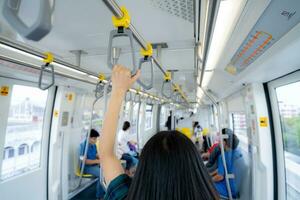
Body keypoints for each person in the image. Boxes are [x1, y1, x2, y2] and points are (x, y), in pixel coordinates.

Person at [99, 65, 219, 200]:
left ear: (144, 168)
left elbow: (105, 154)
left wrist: (119, 91)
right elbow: (106, 155)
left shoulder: (125, 196)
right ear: (195, 167)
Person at [211, 132, 241, 198]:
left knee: (205, 185)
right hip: (236, 189)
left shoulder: (223, 157)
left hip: (227, 190)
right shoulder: (238, 153)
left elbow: (220, 177)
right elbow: (222, 169)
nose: (219, 141)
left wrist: (209, 180)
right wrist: (210, 175)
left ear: (224, 143)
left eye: (220, 140)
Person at [80, 129, 106, 200]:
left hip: (94, 165)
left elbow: (96, 154)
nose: (95, 141)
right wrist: (98, 161)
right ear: (88, 137)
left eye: (96, 139)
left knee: (106, 170)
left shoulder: (93, 145)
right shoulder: (83, 146)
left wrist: (103, 157)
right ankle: (99, 197)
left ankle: (104, 191)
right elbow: (85, 161)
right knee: (101, 174)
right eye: (94, 139)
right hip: (86, 167)